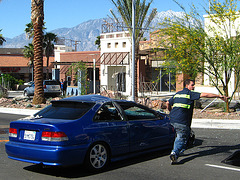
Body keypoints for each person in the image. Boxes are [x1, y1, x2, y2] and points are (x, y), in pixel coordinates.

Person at [166, 79, 229, 164]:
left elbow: (167, 103)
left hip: (172, 119)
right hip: (182, 121)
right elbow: (205, 94)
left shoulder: (177, 94)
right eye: (192, 85)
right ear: (187, 85)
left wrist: (170, 110)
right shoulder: (190, 94)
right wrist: (218, 96)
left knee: (186, 134)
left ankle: (180, 149)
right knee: (181, 136)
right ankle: (175, 153)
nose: (194, 86)